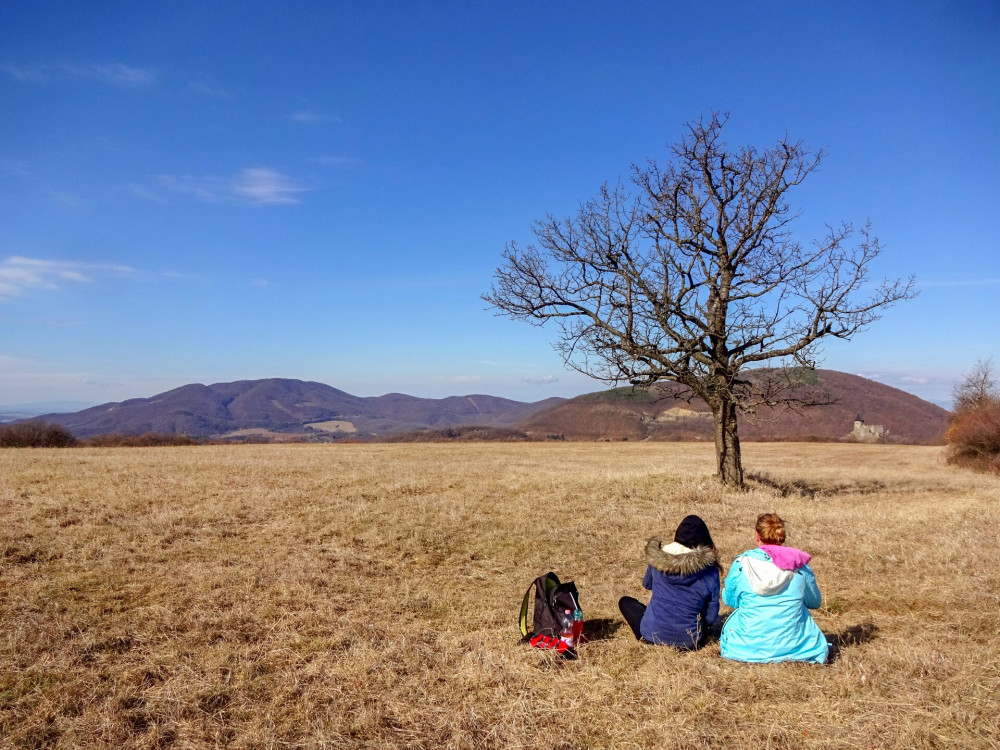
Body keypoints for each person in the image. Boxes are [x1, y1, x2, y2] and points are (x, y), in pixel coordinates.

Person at [720, 512, 829, 664]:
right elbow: (815, 602)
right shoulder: (800, 566)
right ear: (781, 535)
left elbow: (730, 601)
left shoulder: (741, 564)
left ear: (757, 535)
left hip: (745, 647)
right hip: (798, 647)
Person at [618, 515, 721, 649]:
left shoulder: (658, 560)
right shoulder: (710, 571)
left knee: (626, 602)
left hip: (651, 635)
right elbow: (710, 617)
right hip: (690, 642)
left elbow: (647, 584)